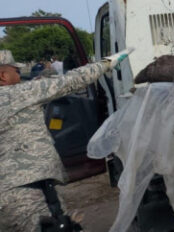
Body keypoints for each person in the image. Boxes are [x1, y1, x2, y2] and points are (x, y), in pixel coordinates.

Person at [0, 49, 131, 232]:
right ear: (3, 76)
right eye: (16, 71)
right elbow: (72, 81)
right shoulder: (18, 94)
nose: (20, 75)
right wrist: (108, 62)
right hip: (27, 196)